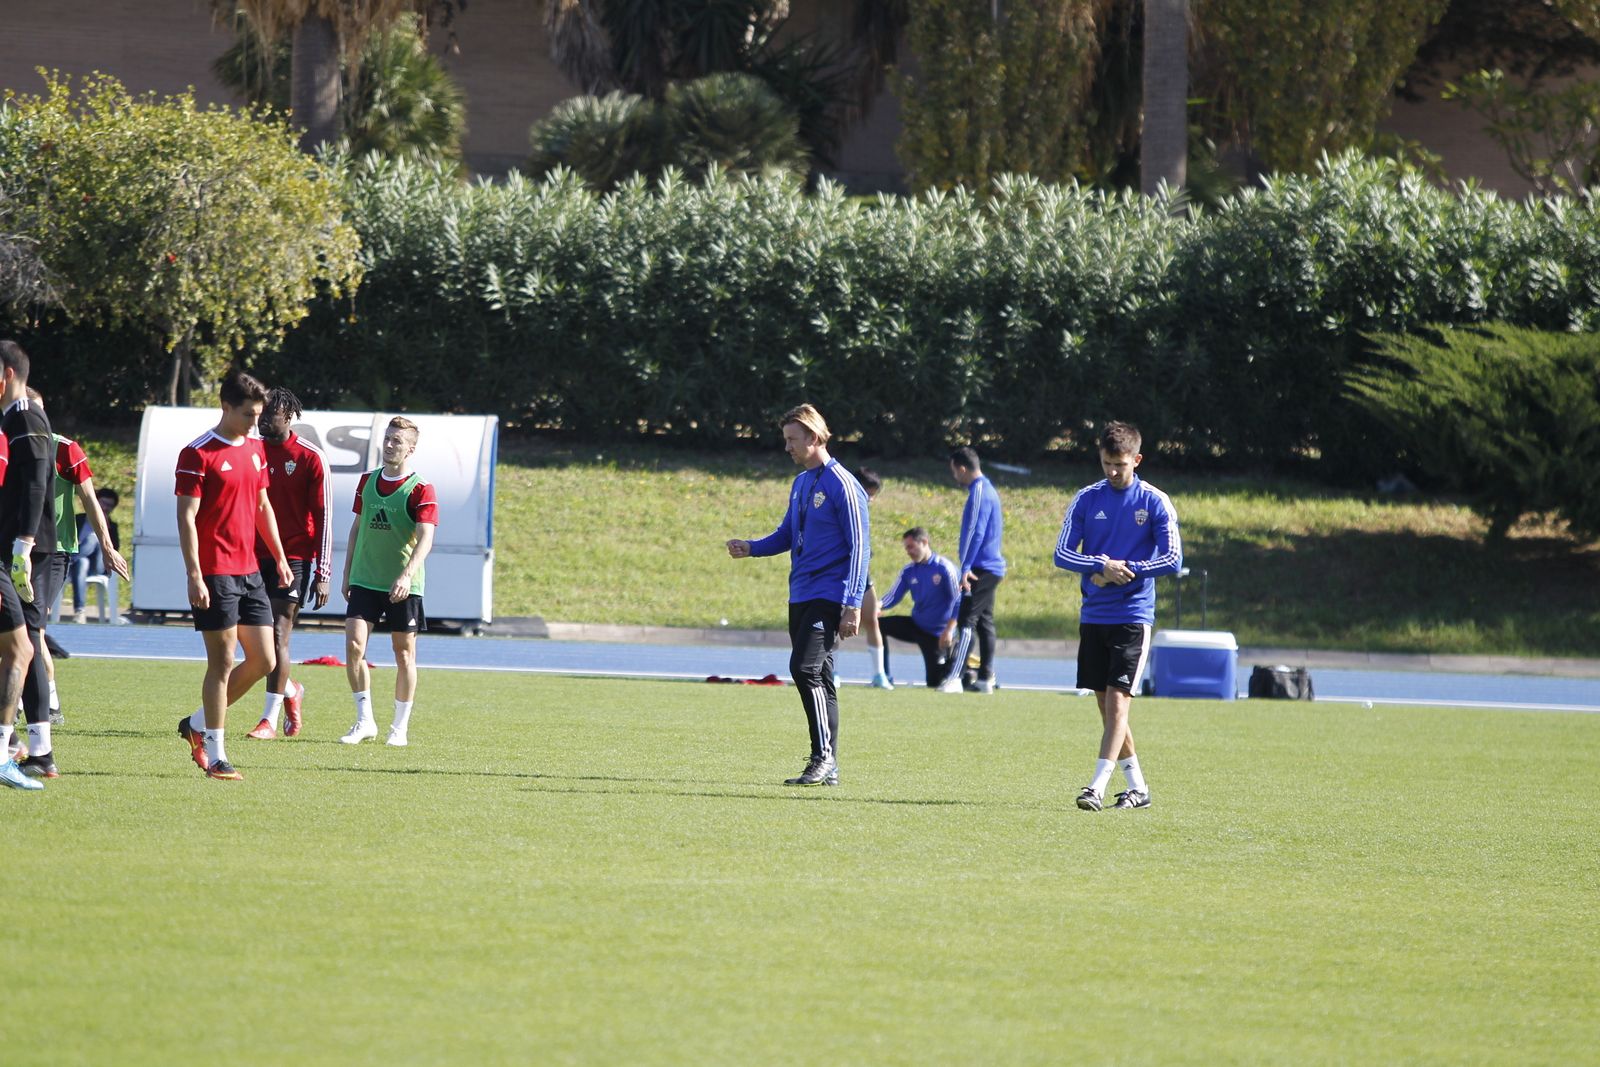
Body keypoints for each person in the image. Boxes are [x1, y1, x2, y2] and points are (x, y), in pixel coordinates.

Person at [726, 404, 869, 787]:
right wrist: (752, 547)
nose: (787, 447)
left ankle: (822, 757)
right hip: (801, 593)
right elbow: (788, 535)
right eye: (785, 439)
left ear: (814, 437)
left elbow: (861, 548)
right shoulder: (801, 483)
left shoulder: (843, 484)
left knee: (804, 669)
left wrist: (853, 604)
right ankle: (830, 766)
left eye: (792, 439)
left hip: (830, 595)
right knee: (821, 676)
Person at [1052, 420, 1182, 812]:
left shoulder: (1154, 501)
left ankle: (1095, 787)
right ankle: (1138, 788)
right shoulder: (1086, 499)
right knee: (1106, 706)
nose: (1112, 471)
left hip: (1132, 615)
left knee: (1118, 706)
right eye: (1107, 463)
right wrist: (1099, 565)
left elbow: (1172, 558)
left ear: (1136, 460)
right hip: (1094, 615)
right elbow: (1062, 553)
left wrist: (1129, 569)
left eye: (1120, 465)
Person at [174, 371, 294, 782]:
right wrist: (194, 574)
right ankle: (217, 755)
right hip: (215, 572)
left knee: (265, 659)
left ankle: (196, 724)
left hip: (250, 570)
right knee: (222, 661)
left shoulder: (256, 448)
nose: (255, 422)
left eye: (259, 415)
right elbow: (186, 518)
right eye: (248, 414)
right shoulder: (197, 453)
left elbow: (262, 506)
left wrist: (279, 557)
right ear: (225, 407)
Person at [31, 389, 131, 736]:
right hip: (13, 552)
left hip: (53, 552)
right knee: (17, 631)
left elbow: (89, 498)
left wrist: (107, 546)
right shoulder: (8, 445)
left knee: (32, 630)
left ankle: (47, 703)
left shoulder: (65, 449)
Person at [340, 416, 437, 748]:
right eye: (388, 438)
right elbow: (357, 528)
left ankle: (399, 727)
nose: (390, 445)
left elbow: (426, 538)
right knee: (354, 646)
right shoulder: (367, 481)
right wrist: (347, 573)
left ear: (411, 449)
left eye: (397, 441)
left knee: (404, 654)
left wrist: (406, 576)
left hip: (402, 585)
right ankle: (364, 720)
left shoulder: (421, 489)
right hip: (365, 579)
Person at [245, 387, 332, 741]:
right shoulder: (250, 451)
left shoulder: (310, 457)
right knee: (253, 638)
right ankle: (291, 689)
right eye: (260, 413)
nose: (263, 420)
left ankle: (268, 719)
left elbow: (324, 516)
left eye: (270, 414)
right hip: (252, 555)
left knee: (279, 632)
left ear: (289, 416)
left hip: (294, 557)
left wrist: (323, 571)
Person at [0, 341, 46, 789]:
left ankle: (8, 749)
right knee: (20, 650)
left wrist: (24, 546)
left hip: (8, 553)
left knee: (21, 649)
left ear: (9, 373)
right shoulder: (9, 420)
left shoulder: (25, 416)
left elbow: (36, 485)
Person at [940, 446, 1007, 694]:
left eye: (954, 471)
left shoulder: (979, 491)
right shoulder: (988, 489)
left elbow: (974, 532)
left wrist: (966, 566)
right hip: (991, 567)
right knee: (985, 623)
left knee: (967, 621)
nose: (954, 476)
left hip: (980, 568)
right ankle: (985, 678)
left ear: (962, 469)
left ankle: (955, 677)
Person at [876, 527, 963, 688]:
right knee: (877, 625)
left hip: (938, 634)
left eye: (911, 547)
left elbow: (958, 601)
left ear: (924, 542)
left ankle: (966, 668)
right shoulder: (909, 570)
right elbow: (894, 596)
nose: (908, 552)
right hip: (917, 625)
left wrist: (949, 630)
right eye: (906, 548)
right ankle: (883, 675)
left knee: (935, 683)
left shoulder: (944, 568)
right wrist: (878, 605)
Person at [855, 468, 894, 689]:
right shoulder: (842, 505)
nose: (870, 499)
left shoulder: (864, 511)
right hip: (840, 572)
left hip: (862, 572)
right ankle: (834, 673)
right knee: (836, 623)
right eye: (868, 493)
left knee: (871, 619)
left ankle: (879, 675)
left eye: (873, 495)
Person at [72, 487, 122, 622]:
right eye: (103, 503)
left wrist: (105, 528)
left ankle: (72, 559)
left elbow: (114, 549)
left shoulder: (112, 526)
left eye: (110, 506)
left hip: (99, 564)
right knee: (82, 562)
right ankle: (80, 611)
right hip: (78, 567)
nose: (105, 508)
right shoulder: (79, 519)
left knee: (93, 538)